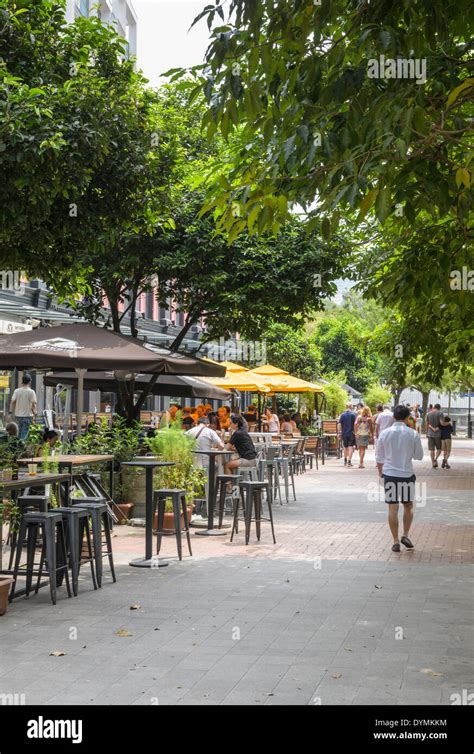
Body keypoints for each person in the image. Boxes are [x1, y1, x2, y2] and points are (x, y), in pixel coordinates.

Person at [376, 405, 423, 553]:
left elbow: (379, 458)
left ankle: (395, 541)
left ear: (393, 417)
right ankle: (405, 535)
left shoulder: (384, 433)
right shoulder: (413, 434)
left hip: (389, 474)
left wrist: (381, 474)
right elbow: (419, 456)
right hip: (407, 475)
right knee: (408, 506)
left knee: (392, 507)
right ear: (407, 417)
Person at [10, 373, 37, 441]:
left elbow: (12, 401)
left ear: (22, 381)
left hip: (18, 416)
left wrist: (10, 412)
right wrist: (35, 414)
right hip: (27, 416)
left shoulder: (17, 391)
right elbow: (34, 404)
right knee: (24, 435)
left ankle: (17, 448)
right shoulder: (31, 392)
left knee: (18, 434)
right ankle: (21, 449)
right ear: (30, 381)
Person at [338, 402, 357, 467]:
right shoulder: (354, 414)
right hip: (351, 433)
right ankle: (349, 461)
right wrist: (356, 432)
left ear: (346, 407)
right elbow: (356, 424)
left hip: (344, 433)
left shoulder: (342, 415)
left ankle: (345, 460)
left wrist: (339, 432)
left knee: (345, 447)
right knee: (351, 447)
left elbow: (339, 424)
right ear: (351, 406)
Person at [426, 403, 444, 468]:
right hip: (438, 434)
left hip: (430, 433)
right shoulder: (440, 413)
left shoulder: (428, 414)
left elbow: (427, 424)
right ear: (439, 408)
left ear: (434, 407)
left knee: (432, 449)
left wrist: (427, 432)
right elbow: (442, 423)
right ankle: (435, 459)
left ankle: (432, 463)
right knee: (439, 448)